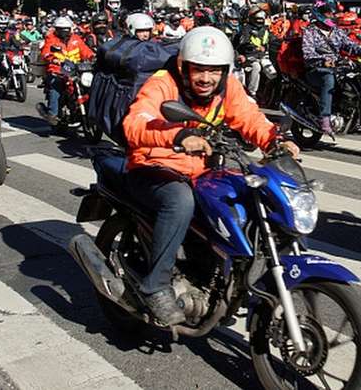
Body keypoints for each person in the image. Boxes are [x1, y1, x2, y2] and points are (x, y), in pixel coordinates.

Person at [121, 26, 299, 325]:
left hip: (201, 168)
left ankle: (224, 277)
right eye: (199, 70)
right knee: (180, 201)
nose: (206, 79)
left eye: (214, 71)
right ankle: (156, 285)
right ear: (184, 67)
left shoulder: (227, 87)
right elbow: (136, 123)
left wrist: (275, 142)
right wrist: (178, 136)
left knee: (246, 196)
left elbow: (249, 117)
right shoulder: (163, 84)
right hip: (152, 167)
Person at [301, 0, 361, 134]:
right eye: (329, 13)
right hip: (316, 70)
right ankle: (324, 118)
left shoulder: (336, 31)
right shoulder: (310, 31)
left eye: (333, 13)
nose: (332, 16)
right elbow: (308, 54)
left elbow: (350, 45)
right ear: (320, 13)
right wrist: (323, 61)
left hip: (337, 67)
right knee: (328, 78)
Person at [37, 16, 94, 125]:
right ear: (56, 29)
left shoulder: (76, 39)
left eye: (66, 28)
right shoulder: (51, 38)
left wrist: (92, 56)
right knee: (56, 86)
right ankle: (52, 113)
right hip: (57, 70)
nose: (64, 31)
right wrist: (52, 58)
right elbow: (46, 52)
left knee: (88, 85)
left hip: (75, 69)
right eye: (61, 29)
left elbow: (85, 50)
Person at [236, 7, 270, 98]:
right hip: (248, 56)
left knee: (271, 71)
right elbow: (243, 43)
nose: (259, 21)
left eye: (261, 19)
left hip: (263, 56)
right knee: (256, 67)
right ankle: (252, 92)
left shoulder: (265, 29)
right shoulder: (246, 29)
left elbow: (269, 41)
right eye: (257, 19)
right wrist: (256, 48)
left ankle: (267, 94)